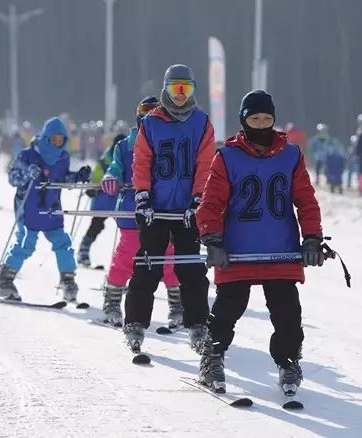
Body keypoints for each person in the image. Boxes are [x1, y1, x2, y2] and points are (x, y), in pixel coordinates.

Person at [195, 90, 324, 396]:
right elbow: (211, 203)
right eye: (255, 118)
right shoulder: (227, 157)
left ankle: (289, 360)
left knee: (288, 312)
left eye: (267, 118)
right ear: (244, 120)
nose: (262, 124)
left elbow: (306, 201)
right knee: (228, 309)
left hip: (280, 249)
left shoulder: (290, 155)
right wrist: (212, 239)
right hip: (237, 251)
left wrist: (313, 238)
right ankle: (212, 357)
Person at [123, 64, 214, 354]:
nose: (179, 95)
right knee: (148, 264)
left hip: (187, 210)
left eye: (185, 89)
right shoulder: (151, 123)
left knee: (190, 268)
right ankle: (136, 322)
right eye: (175, 88)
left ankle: (198, 324)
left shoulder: (201, 123)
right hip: (156, 208)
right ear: (165, 88)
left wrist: (198, 198)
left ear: (192, 90)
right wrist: (143, 196)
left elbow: (205, 164)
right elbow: (142, 161)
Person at [0, 117, 91, 302]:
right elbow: (13, 179)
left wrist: (76, 177)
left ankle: (67, 280)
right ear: (46, 137)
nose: (58, 144)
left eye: (61, 140)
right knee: (26, 242)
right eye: (54, 140)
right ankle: (3, 281)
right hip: (29, 206)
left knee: (63, 242)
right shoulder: (27, 155)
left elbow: (62, 179)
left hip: (51, 207)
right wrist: (27, 173)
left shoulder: (62, 157)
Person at [100, 96, 182, 328]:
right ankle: (112, 301)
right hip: (132, 212)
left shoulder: (169, 143)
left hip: (161, 211)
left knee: (168, 258)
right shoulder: (126, 145)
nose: (148, 120)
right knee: (126, 258)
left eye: (153, 115)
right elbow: (116, 167)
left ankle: (177, 306)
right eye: (144, 115)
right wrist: (111, 177)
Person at [77, 133, 125, 268]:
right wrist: (93, 186)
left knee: (128, 229)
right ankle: (83, 250)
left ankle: (130, 255)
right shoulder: (105, 160)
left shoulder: (129, 157)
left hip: (119, 200)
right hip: (105, 199)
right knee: (96, 225)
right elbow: (97, 176)